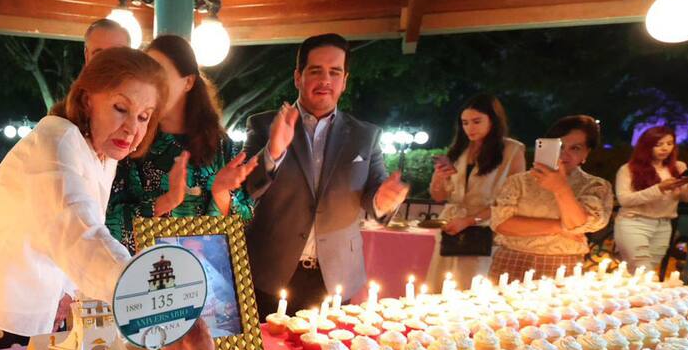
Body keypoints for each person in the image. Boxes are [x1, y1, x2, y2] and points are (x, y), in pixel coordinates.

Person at [0, 47, 218, 350]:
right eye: (121, 108)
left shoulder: (100, 152)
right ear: (86, 99)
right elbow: (80, 234)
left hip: (46, 307)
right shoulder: (57, 142)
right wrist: (163, 309)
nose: (132, 129)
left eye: (144, 116)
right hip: (3, 308)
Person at [243, 33, 409, 316]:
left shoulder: (365, 135)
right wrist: (273, 150)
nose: (325, 80)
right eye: (316, 71)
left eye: (335, 72)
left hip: (336, 279)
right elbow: (245, 189)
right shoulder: (263, 125)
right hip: (270, 273)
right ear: (298, 77)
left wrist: (384, 199)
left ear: (344, 80)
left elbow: (375, 193)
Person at [106, 34, 256, 252]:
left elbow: (244, 221)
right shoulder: (130, 141)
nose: (151, 86)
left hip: (207, 276)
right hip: (146, 273)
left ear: (188, 82)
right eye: (146, 76)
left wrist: (220, 191)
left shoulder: (222, 147)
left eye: (160, 75)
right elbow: (107, 222)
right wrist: (166, 201)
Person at [490, 115, 613, 279]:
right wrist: (560, 228)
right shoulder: (518, 182)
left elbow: (578, 224)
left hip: (563, 265)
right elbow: (501, 224)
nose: (564, 154)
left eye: (575, 148)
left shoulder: (595, 186)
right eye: (560, 146)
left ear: (586, 153)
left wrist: (561, 189)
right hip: (511, 260)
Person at [427, 94, 526, 287]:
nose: (469, 128)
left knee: (471, 285)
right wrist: (439, 177)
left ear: (493, 120)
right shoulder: (458, 149)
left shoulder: (512, 150)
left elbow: (511, 201)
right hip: (451, 227)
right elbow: (439, 196)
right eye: (464, 123)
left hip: (483, 229)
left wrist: (470, 220)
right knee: (441, 284)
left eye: (476, 121)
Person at [613, 126, 688, 273]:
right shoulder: (628, 169)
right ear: (646, 146)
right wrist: (660, 188)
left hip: (663, 225)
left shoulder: (678, 167)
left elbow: (687, 198)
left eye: (669, 143)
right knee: (643, 271)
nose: (665, 148)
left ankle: (628, 295)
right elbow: (625, 200)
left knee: (644, 273)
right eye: (658, 144)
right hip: (634, 222)